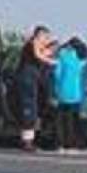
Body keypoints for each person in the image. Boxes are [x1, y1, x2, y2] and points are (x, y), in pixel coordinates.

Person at [17, 25, 56, 153]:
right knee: (29, 109)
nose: (47, 40)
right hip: (28, 80)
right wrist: (52, 62)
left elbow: (44, 54)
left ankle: (32, 139)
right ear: (39, 35)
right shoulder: (33, 44)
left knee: (36, 108)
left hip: (34, 80)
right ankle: (27, 142)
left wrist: (52, 50)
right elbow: (38, 55)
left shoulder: (39, 46)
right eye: (45, 37)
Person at [53, 37, 87, 152]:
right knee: (73, 120)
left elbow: (57, 74)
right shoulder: (80, 60)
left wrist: (55, 90)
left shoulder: (62, 56)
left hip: (62, 92)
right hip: (76, 93)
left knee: (60, 120)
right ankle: (72, 143)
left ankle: (60, 143)